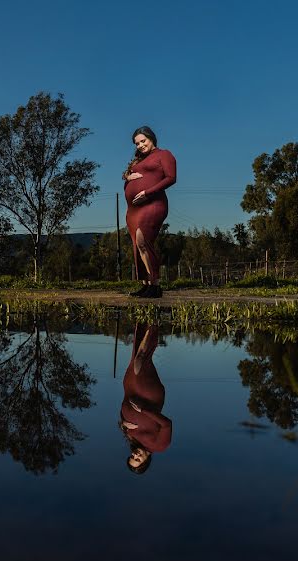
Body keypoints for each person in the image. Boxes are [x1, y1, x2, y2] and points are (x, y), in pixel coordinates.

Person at [123, 126, 177, 298]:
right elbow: (126, 173)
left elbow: (171, 178)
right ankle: (145, 284)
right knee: (137, 246)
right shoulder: (137, 160)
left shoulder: (164, 154)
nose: (140, 145)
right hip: (133, 209)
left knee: (142, 240)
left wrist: (147, 193)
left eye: (143, 141)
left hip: (153, 203)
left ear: (151, 138)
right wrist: (127, 177)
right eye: (137, 143)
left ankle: (155, 284)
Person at [119, 323, 170, 474]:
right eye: (137, 459)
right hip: (150, 398)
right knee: (140, 360)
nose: (135, 455)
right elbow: (167, 424)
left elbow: (123, 421)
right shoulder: (160, 446)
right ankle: (153, 323)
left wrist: (122, 423)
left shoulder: (133, 441)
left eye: (131, 457)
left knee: (136, 356)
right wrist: (144, 409)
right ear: (146, 461)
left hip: (129, 390)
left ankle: (142, 320)